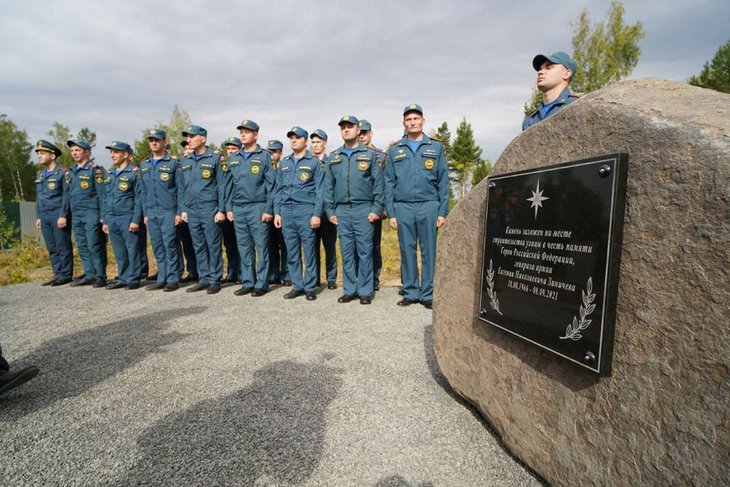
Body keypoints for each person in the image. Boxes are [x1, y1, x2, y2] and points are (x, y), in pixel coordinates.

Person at [384, 104, 449, 309]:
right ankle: (411, 291)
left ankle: (428, 293)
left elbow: (443, 181)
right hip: (403, 207)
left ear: (423, 121)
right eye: (408, 119)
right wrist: (392, 213)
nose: (412, 122)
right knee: (407, 250)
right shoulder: (395, 150)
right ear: (404, 123)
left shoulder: (436, 147)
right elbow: (388, 182)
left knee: (429, 250)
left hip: (429, 205)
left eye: (416, 119)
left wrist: (442, 211)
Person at [324, 116, 384, 305]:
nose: (346, 129)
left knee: (365, 251)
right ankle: (350, 289)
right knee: (346, 251)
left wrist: (376, 208)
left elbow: (378, 185)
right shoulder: (334, 157)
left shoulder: (370, 154)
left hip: (363, 209)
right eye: (343, 127)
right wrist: (330, 211)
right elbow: (328, 187)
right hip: (342, 210)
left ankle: (365, 291)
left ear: (359, 131)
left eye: (350, 127)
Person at [224, 120, 275, 297]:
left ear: (256, 135)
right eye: (242, 132)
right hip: (238, 208)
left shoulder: (264, 156)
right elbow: (228, 185)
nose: (243, 134)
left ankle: (261, 283)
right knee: (244, 247)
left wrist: (269, 209)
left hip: (258, 207)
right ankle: (248, 281)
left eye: (247, 131)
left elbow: (271, 185)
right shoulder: (234, 158)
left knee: (261, 247)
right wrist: (228, 207)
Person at [273, 126, 323, 301]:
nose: (293, 140)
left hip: (306, 210)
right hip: (287, 211)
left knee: (309, 250)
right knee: (292, 251)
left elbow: (320, 191)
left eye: (297, 137)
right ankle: (297, 285)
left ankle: (310, 287)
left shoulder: (314, 162)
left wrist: (316, 214)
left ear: (305, 141)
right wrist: (277, 213)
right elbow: (278, 190)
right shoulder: (284, 163)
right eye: (291, 138)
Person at [178, 125, 226, 294]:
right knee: (198, 245)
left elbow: (222, 186)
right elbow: (182, 188)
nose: (189, 139)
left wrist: (221, 210)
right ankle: (203, 278)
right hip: (192, 209)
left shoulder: (215, 158)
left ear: (203, 138)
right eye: (187, 137)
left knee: (213, 245)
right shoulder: (185, 160)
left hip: (209, 208)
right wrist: (183, 208)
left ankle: (215, 279)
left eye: (192, 136)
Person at [139, 129, 181, 292]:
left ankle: (173, 278)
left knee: (170, 244)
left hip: (168, 210)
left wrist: (178, 212)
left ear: (165, 142)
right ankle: (162, 277)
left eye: (157, 140)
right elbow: (143, 191)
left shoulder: (172, 163)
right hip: (152, 211)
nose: (154, 143)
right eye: (151, 140)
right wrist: (146, 213)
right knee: (157, 245)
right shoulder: (145, 164)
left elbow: (179, 189)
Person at [64, 139, 107, 288]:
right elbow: (68, 194)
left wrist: (103, 215)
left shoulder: (96, 170)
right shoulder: (71, 171)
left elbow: (102, 194)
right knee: (82, 245)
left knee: (94, 245)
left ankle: (101, 275)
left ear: (87, 152)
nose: (74, 153)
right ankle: (89, 274)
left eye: (78, 150)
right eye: (72, 151)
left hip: (92, 212)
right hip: (77, 214)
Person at [101, 141, 143, 290]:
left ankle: (134, 278)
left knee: (132, 249)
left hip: (127, 216)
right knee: (119, 250)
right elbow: (105, 198)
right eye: (111, 152)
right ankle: (123, 277)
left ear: (126, 155)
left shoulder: (134, 173)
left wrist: (135, 219)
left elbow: (139, 198)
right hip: (112, 218)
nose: (112, 155)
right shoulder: (109, 174)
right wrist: (105, 220)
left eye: (116, 152)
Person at [34, 140, 73, 286]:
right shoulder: (40, 174)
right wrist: (38, 216)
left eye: (42, 153)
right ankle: (57, 274)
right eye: (38, 153)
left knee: (62, 246)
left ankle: (66, 275)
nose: (39, 156)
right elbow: (39, 197)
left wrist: (63, 215)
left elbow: (67, 195)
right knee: (52, 247)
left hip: (57, 215)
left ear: (52, 155)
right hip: (45, 216)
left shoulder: (63, 173)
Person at [357, 119, 387, 291]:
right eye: (359, 133)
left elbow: (385, 183)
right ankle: (359, 276)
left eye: (365, 133)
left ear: (371, 133)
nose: (362, 136)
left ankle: (374, 277)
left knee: (374, 243)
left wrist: (383, 208)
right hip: (356, 206)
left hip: (374, 206)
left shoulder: (380, 155)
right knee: (357, 245)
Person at [522, 51, 580, 131]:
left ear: (567, 74)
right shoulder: (530, 120)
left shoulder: (577, 105)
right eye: (540, 69)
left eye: (548, 68)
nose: (540, 72)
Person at [310, 129, 338, 290]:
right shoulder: (306, 162)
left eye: (318, 142)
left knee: (329, 247)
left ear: (325, 143)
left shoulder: (331, 162)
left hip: (327, 213)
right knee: (312, 247)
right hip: (312, 212)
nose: (315, 145)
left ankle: (331, 278)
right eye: (313, 142)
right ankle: (314, 278)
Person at [265, 140, 290, 286]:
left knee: (285, 245)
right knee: (271, 245)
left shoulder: (285, 167)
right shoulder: (265, 166)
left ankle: (287, 275)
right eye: (270, 152)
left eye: (274, 152)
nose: (272, 155)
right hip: (268, 211)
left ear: (280, 153)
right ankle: (273, 274)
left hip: (282, 211)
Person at [221, 136, 243, 285]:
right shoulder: (224, 165)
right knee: (229, 244)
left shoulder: (241, 164)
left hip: (238, 209)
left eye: (233, 149)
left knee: (241, 244)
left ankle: (242, 273)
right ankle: (231, 272)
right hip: (224, 210)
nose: (230, 151)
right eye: (228, 149)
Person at [177, 140, 198, 283]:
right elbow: (180, 190)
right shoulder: (180, 165)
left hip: (200, 209)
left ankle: (204, 273)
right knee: (187, 244)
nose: (187, 151)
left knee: (201, 243)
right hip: (184, 211)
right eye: (186, 149)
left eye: (189, 148)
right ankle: (192, 271)